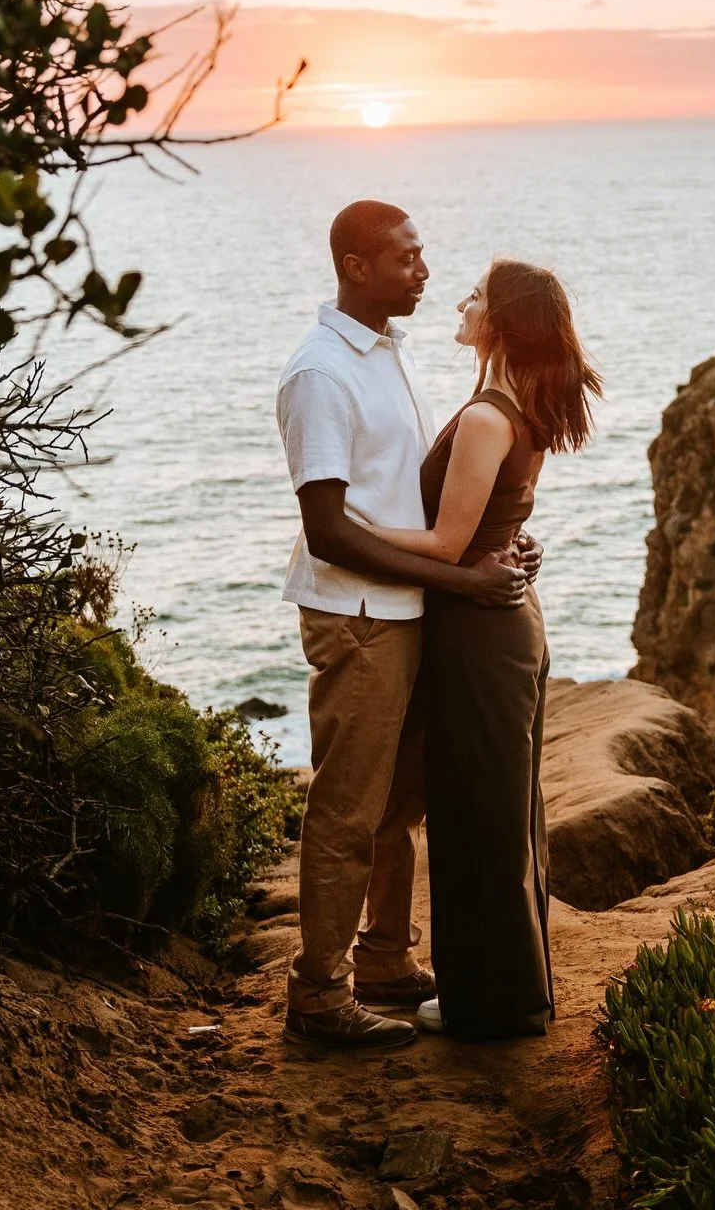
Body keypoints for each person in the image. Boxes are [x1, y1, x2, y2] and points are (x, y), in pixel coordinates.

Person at [276, 202, 530, 1051]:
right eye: (407, 258)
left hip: (411, 607)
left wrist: (495, 541)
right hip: (359, 617)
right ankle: (319, 996)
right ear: (357, 267)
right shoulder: (321, 373)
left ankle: (384, 958)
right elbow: (328, 530)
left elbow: (416, 497)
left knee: (397, 805)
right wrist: (464, 577)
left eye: (423, 256)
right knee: (348, 809)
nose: (425, 271)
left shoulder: (392, 351)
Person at [365, 259, 602, 1041]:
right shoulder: (516, 404)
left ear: (499, 322)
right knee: (501, 812)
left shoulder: (487, 417)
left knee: (480, 818)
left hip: (480, 633)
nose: (461, 303)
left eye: (476, 296)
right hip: (504, 623)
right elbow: (497, 523)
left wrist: (345, 527)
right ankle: (507, 990)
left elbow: (446, 543)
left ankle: (490, 1004)